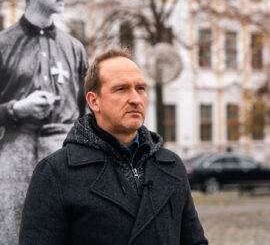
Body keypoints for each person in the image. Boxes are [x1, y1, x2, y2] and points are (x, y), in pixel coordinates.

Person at [19, 48, 208, 245]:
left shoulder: (171, 166)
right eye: (121, 89)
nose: (135, 99)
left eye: (141, 88)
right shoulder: (55, 172)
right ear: (94, 101)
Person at [0, 0, 89, 244]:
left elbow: (87, 114)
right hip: (14, 159)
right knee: (13, 234)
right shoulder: (3, 45)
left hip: (65, 155)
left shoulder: (74, 48)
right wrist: (16, 109)